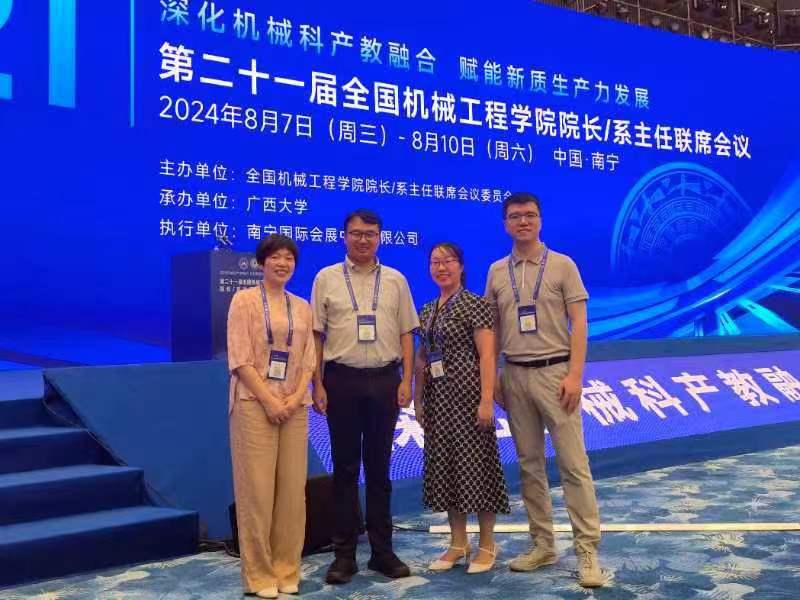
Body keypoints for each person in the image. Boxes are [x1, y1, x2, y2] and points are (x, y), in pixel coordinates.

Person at [485, 192, 603, 588]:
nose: (523, 221)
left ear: (540, 220)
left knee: (573, 464)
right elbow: (492, 329)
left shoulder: (563, 265)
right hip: (515, 376)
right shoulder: (496, 272)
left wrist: (575, 375)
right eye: (515, 216)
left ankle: (587, 550)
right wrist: (495, 376)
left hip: (556, 374)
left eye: (530, 215)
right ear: (505, 223)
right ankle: (543, 544)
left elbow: (579, 323)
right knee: (529, 465)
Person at [310, 208, 419, 584]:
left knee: (379, 469)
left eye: (370, 234)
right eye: (356, 233)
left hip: (385, 379)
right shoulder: (326, 278)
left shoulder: (395, 280)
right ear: (344, 236)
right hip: (340, 380)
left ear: (380, 238)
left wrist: (406, 380)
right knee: (344, 470)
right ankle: (344, 555)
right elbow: (316, 336)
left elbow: (406, 333)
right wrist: (316, 383)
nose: (363, 240)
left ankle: (382, 552)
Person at [226, 234, 316, 599]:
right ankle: (260, 576)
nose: (282, 263)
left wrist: (293, 399)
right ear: (261, 263)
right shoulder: (244, 300)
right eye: (275, 257)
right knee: (257, 494)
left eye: (288, 258)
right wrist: (269, 400)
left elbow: (309, 360)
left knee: (293, 494)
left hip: (294, 405)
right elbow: (240, 359)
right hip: (254, 403)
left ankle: (286, 569)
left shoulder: (303, 306)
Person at [414, 242, 510, 574]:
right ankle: (458, 543)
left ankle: (487, 544)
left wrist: (486, 400)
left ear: (461, 266)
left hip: (469, 400)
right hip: (438, 402)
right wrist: (418, 399)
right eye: (435, 262)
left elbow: (487, 355)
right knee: (447, 472)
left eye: (448, 261)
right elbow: (422, 358)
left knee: (477, 470)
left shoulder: (476, 305)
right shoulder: (427, 309)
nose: (441, 268)